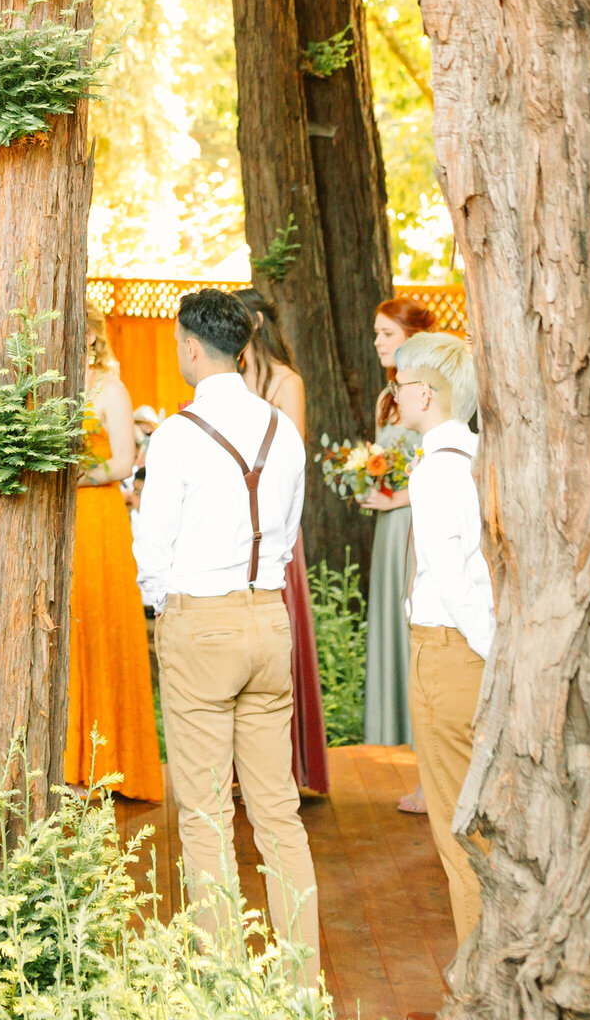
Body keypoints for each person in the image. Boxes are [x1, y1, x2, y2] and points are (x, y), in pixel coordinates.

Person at [133, 287, 319, 989]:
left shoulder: (180, 434)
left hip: (200, 621)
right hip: (268, 616)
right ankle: (302, 985)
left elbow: (154, 543)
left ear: (189, 346)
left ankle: (223, 985)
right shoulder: (283, 429)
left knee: (206, 813)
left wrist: (163, 610)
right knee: (278, 812)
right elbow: (291, 530)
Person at [393, 330, 493, 952]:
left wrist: (486, 653)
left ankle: (481, 980)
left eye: (400, 385)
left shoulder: (436, 472)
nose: (395, 397)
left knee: (459, 831)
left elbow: (455, 581)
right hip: (473, 647)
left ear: (425, 392)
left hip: (450, 648)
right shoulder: (480, 456)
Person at [63, 305, 164, 803]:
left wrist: (79, 476)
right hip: (53, 520)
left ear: (92, 337)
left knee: (97, 624)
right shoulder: (43, 382)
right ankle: (63, 762)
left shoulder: (109, 388)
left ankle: (105, 762)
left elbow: (124, 460)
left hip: (97, 516)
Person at [236, 287, 330, 798]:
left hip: (271, 528)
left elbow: (290, 456)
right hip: (230, 527)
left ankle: (287, 769)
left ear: (251, 323)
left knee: (280, 640)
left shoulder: (285, 382)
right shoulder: (227, 380)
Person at [362, 298, 435, 803]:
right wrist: (370, 482)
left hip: (420, 519)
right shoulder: (386, 400)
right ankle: (416, 765)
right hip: (390, 528)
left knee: (423, 634)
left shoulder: (434, 390)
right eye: (376, 334)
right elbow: (382, 460)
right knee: (395, 633)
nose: (378, 343)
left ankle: (435, 774)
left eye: (387, 333)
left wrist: (402, 496)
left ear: (412, 335)